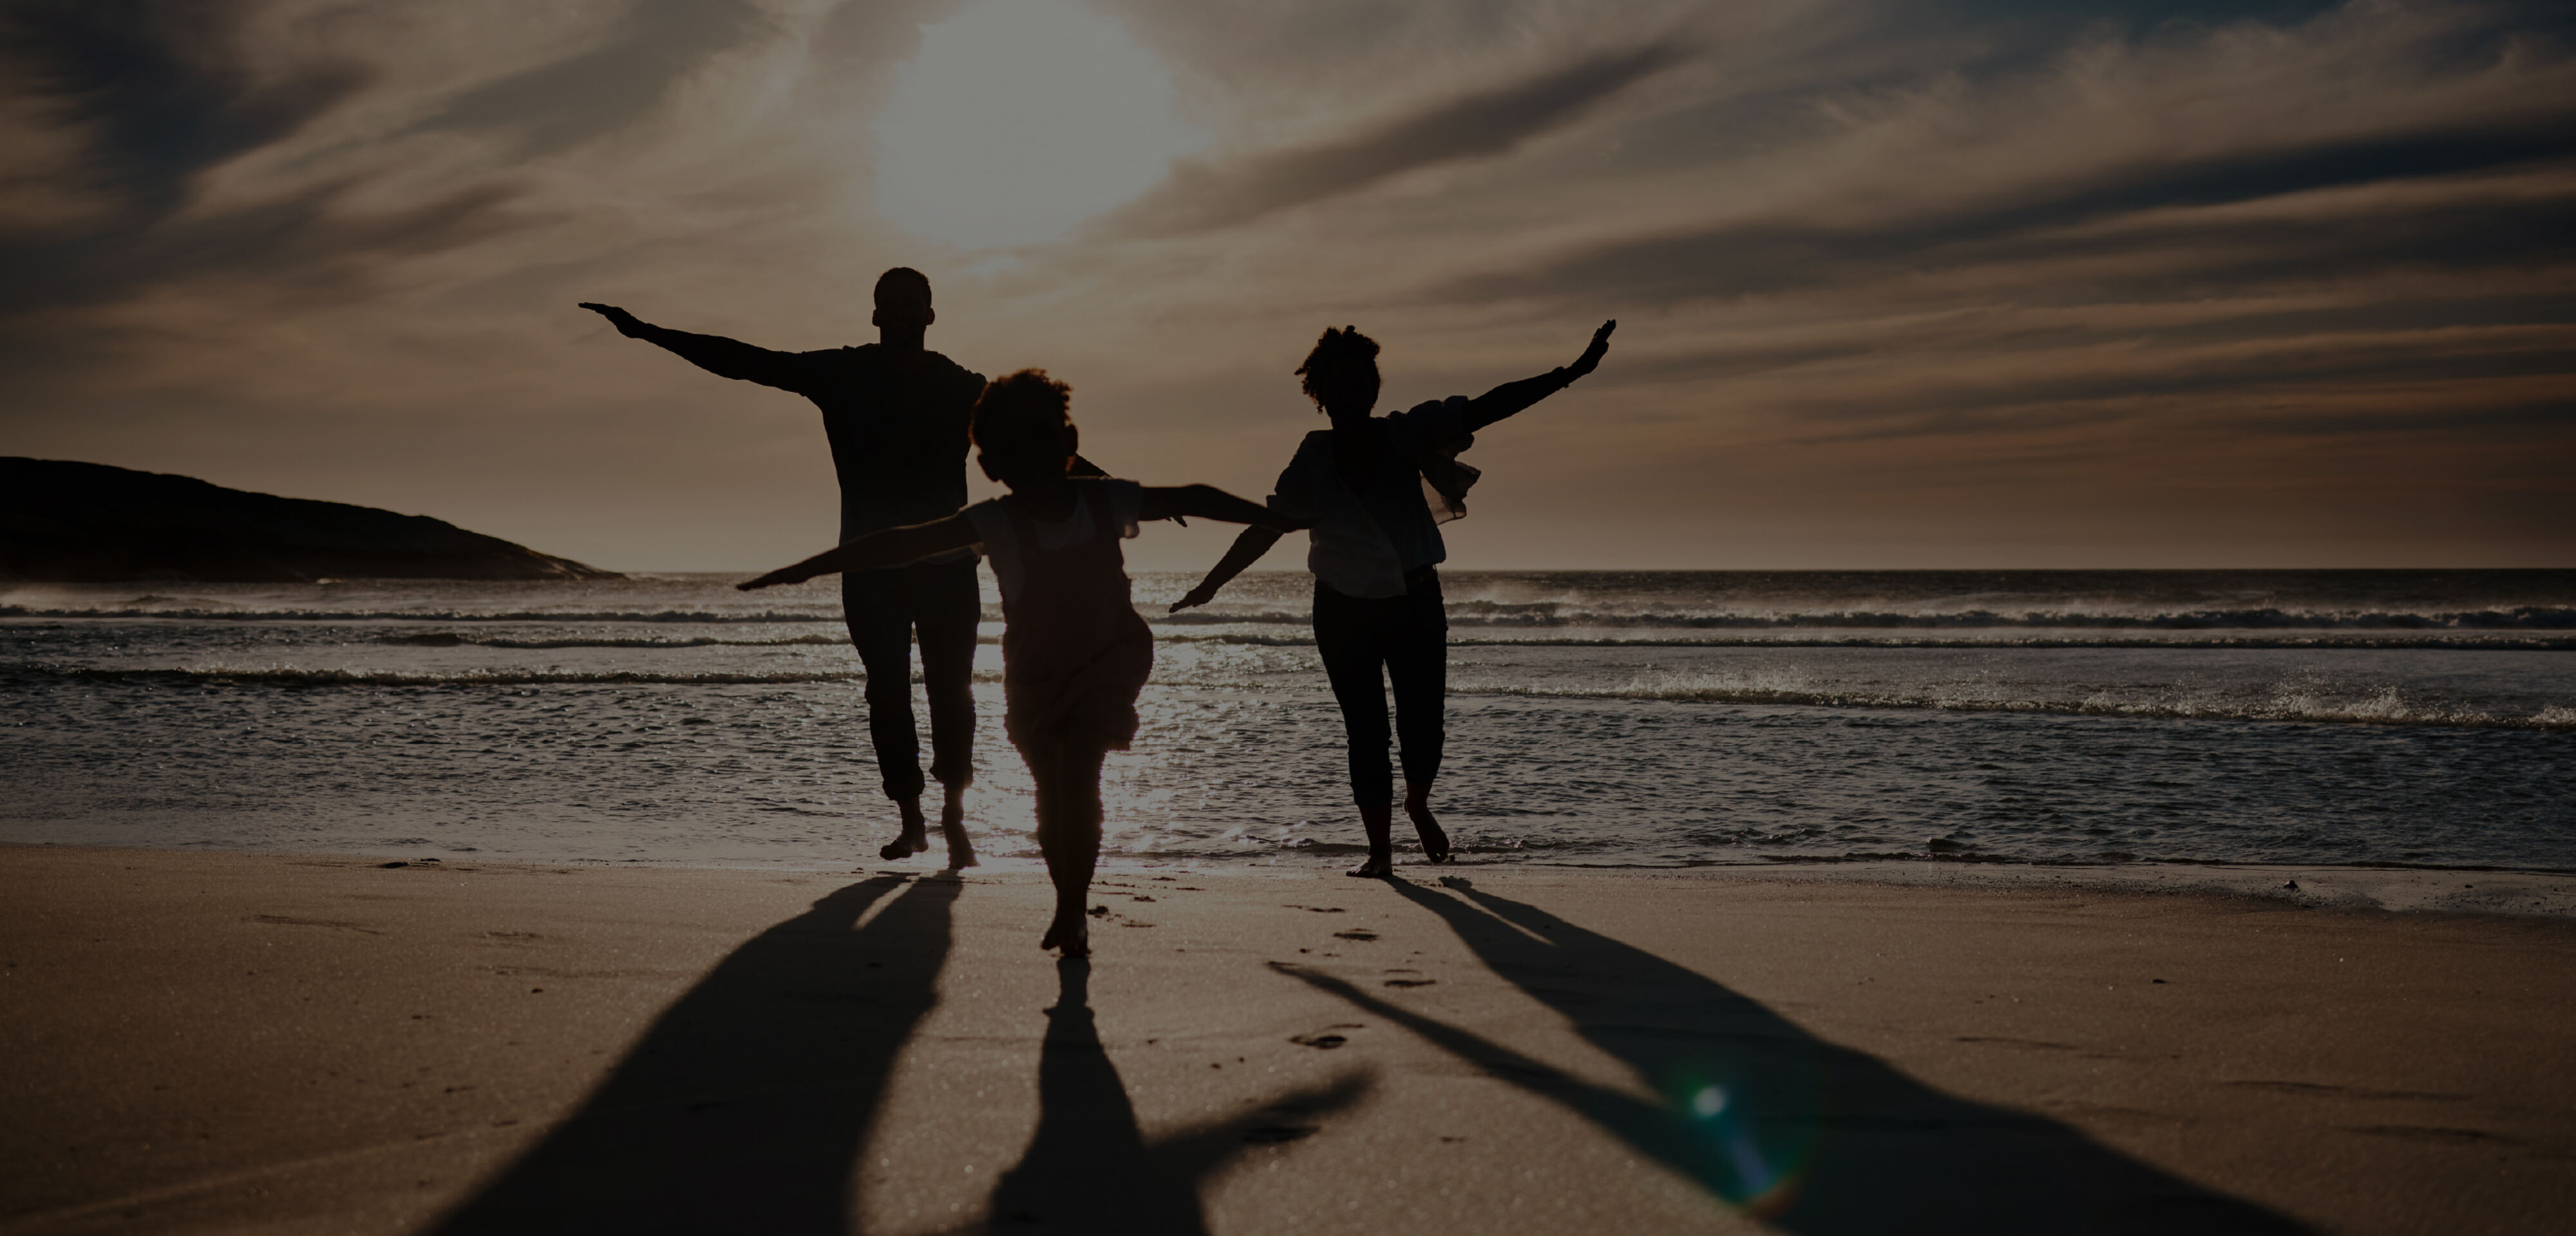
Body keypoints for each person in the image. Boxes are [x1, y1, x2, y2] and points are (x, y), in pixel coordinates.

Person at [741, 370, 1305, 956]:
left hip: (1108, 662)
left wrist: (1273, 518)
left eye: (1042, 439)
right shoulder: (992, 522)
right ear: (990, 465)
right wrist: (803, 569)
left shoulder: (1102, 499)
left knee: (1080, 771)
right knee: (1049, 796)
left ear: (1068, 443)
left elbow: (1191, 496)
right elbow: (902, 543)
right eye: (1013, 447)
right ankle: (1067, 898)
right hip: (1034, 678)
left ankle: (1072, 911)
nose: (1031, 456)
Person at [582, 270, 1079, 868]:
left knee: (954, 694)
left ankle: (955, 818)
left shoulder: (961, 388)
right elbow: (746, 361)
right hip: (871, 570)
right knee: (886, 694)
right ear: (875, 316)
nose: (898, 314)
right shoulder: (842, 374)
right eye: (888, 305)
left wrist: (1111, 487)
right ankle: (912, 820)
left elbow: (1039, 442)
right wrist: (648, 333)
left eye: (909, 304)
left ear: (929, 315)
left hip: (948, 568)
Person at [1171, 320, 1616, 877]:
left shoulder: (1408, 433)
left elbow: (1489, 407)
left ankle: (1418, 802)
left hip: (1415, 602)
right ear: (1320, 395)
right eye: (1338, 386)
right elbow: (1266, 528)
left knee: (1423, 724)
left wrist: (1569, 374)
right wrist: (1211, 584)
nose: (1351, 395)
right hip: (1341, 611)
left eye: (1361, 384)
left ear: (1374, 389)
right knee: (1366, 731)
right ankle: (1379, 853)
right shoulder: (1311, 459)